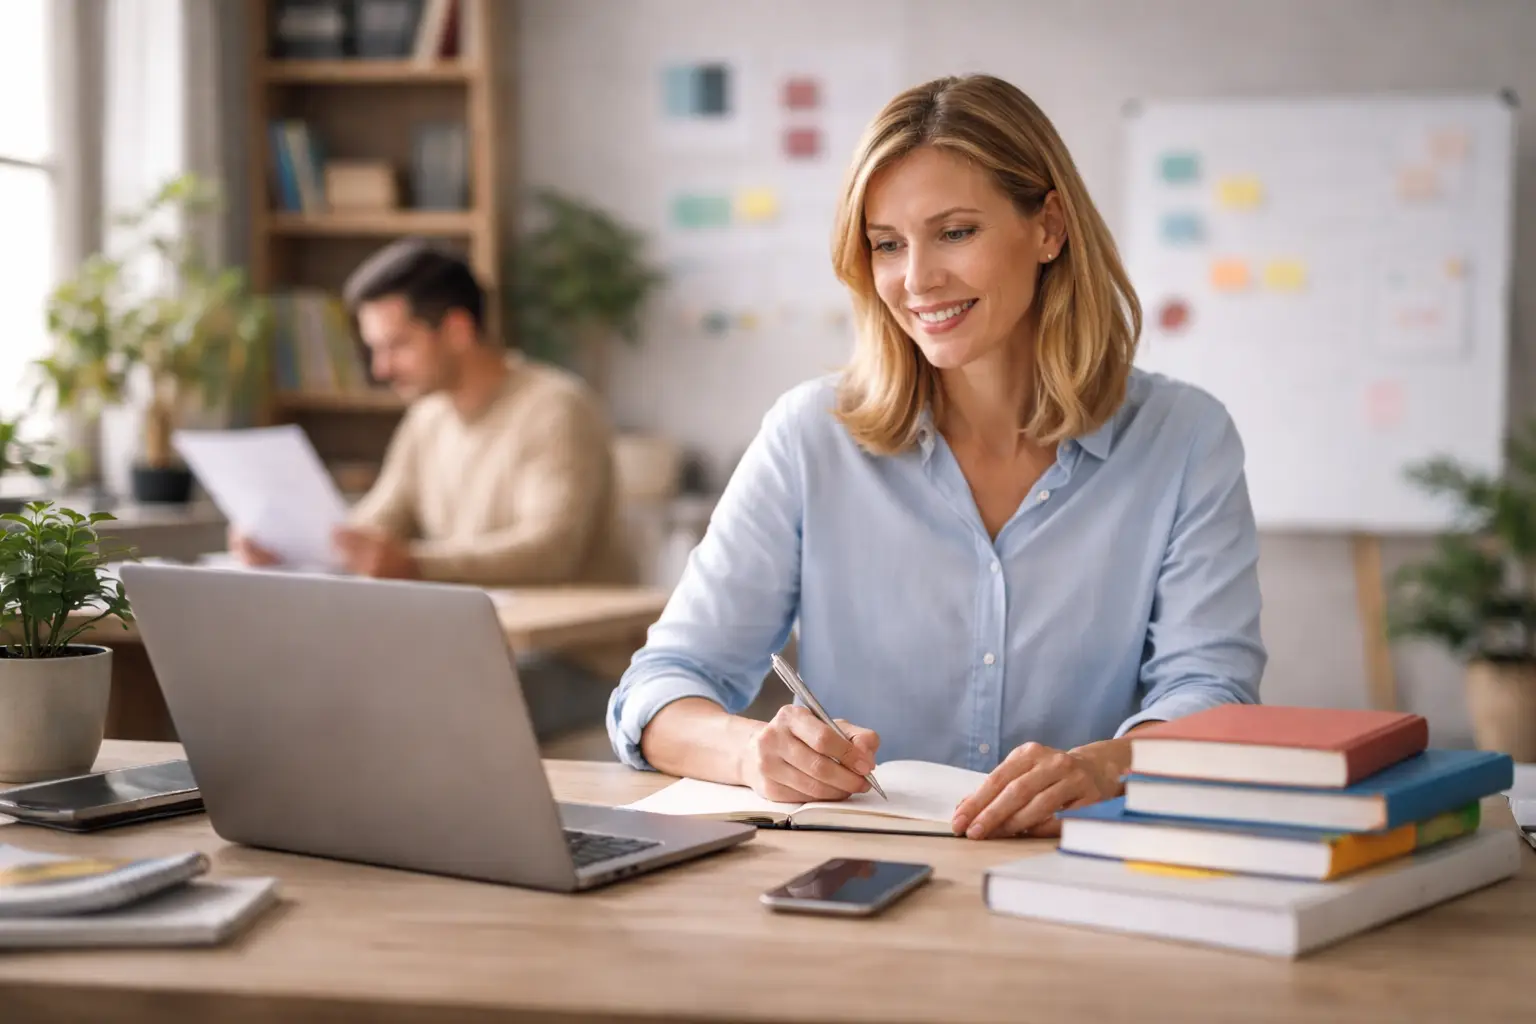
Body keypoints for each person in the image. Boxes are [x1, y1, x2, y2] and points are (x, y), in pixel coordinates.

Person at [605, 74, 1265, 839]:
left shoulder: (1184, 439)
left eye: (955, 232)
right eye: (887, 245)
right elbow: (658, 690)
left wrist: (1103, 768)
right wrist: (754, 750)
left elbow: (1213, 694)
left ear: (1048, 227)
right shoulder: (810, 436)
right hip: (853, 885)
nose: (917, 280)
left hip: (1076, 877)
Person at [229, 238, 636, 589]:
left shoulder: (555, 409)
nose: (380, 369)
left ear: (458, 330)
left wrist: (415, 565)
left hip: (571, 655)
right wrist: (291, 547)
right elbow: (378, 522)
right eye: (375, 349)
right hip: (480, 639)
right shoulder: (429, 417)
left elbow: (550, 551)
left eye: (397, 346)